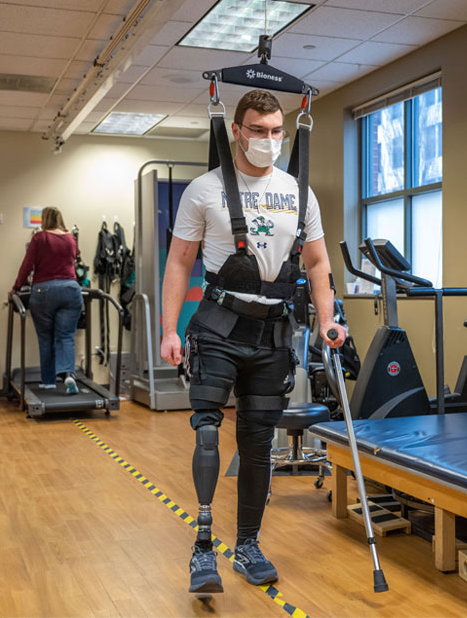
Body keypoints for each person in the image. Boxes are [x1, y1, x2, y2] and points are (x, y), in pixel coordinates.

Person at [160, 89, 346, 594]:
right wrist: (169, 329)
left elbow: (317, 263)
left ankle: (246, 544)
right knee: (205, 429)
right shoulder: (204, 189)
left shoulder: (299, 192)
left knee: (258, 443)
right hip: (219, 327)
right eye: (257, 130)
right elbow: (179, 261)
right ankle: (202, 549)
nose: (267, 140)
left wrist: (329, 319)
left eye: (275, 131)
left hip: (272, 333)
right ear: (236, 130)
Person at [11, 206, 83, 394]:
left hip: (44, 290)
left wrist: (16, 288)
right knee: (66, 336)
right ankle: (68, 374)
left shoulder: (39, 238)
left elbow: (27, 265)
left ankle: (48, 381)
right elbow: (75, 258)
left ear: (44, 219)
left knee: (46, 338)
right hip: (71, 289)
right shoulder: (70, 238)